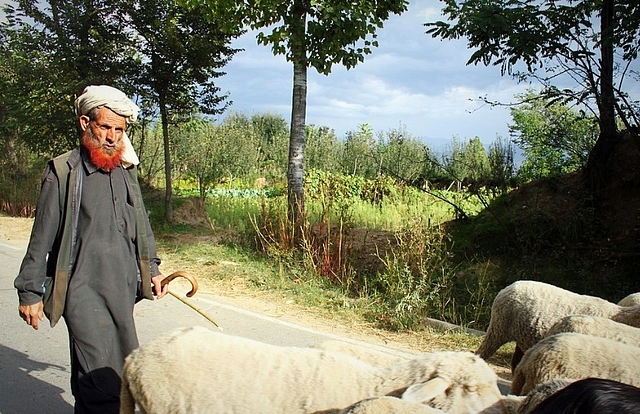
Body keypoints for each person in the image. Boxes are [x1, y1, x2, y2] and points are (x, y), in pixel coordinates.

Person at [14, 85, 168, 413]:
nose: (112, 137)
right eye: (105, 127)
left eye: (119, 130)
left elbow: (140, 223)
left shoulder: (125, 171)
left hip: (122, 287)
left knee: (112, 369)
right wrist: (29, 291)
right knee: (105, 380)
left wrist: (152, 267)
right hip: (82, 290)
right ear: (86, 123)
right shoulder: (63, 172)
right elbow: (41, 236)